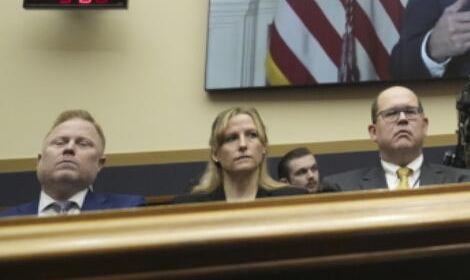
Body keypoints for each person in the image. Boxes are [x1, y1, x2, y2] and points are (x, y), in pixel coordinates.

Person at [321, 86, 470, 191]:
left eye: (410, 112)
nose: (402, 119)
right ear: (373, 131)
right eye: (391, 113)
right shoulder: (342, 187)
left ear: (424, 126)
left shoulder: (463, 183)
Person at [0, 110, 144, 217]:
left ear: (100, 163)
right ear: (39, 161)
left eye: (83, 144)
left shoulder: (128, 209)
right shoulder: (5, 221)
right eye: (59, 142)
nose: (69, 148)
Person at [173, 107, 305, 203]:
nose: (243, 145)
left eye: (252, 135)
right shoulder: (191, 206)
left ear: (263, 146)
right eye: (231, 138)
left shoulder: (292, 199)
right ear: (215, 154)